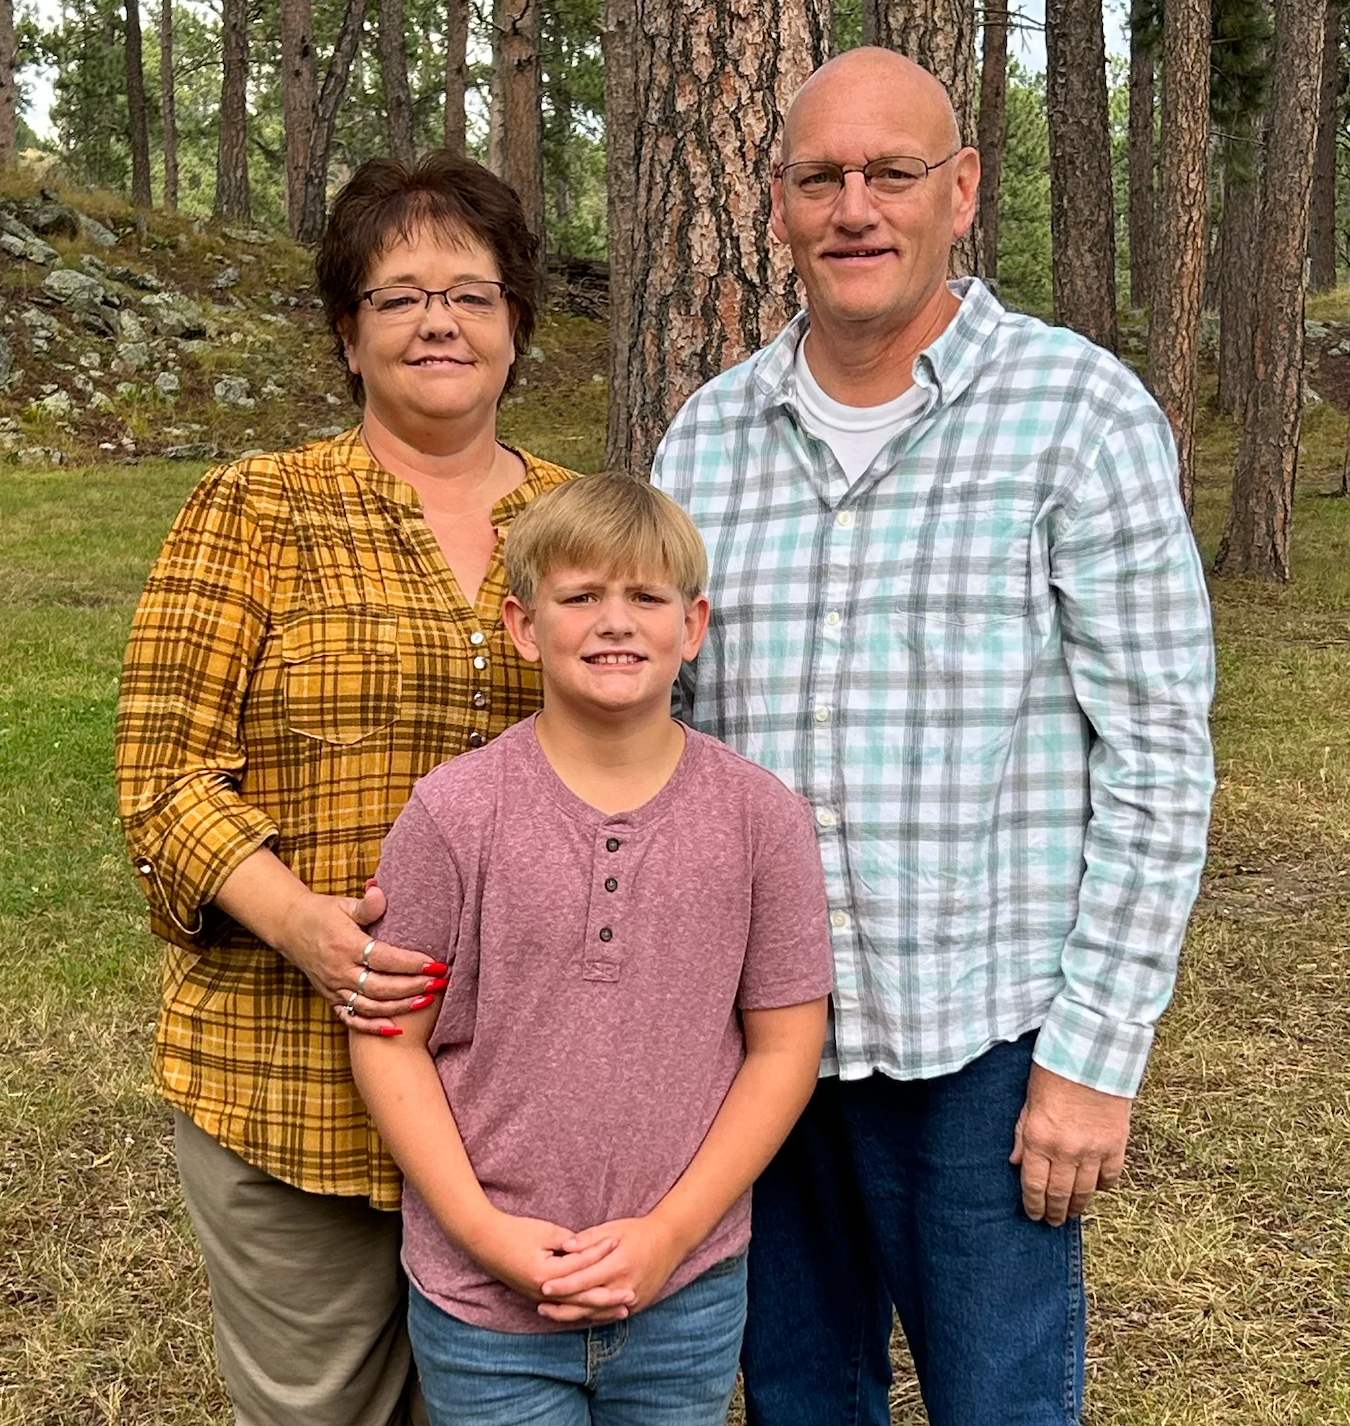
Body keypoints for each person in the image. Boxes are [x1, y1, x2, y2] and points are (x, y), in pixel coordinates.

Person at [651, 48, 1216, 1426]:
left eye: (891, 173)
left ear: (959, 191)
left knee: (999, 1401)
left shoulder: (1078, 414)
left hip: (984, 1039)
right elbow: (662, 747)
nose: (854, 207)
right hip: (759, 1044)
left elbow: (1157, 758)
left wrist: (1092, 1056)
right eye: (820, 178)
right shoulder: (706, 440)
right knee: (797, 1395)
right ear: (777, 204)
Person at [114, 151, 581, 1426]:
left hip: (520, 1089)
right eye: (400, 296)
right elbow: (163, 775)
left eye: (472, 294)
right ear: (347, 331)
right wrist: (308, 927)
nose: (440, 322)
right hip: (292, 1073)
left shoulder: (581, 523)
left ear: (516, 324)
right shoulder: (255, 508)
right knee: (322, 1406)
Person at [348, 474, 834, 1426]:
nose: (615, 621)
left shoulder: (762, 821)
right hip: (483, 1306)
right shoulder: (453, 813)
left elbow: (785, 1047)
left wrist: (669, 1235)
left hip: (684, 1295)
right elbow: (391, 1040)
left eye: (645, 596)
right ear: (524, 626)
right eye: (580, 596)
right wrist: (484, 1234)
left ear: (692, 626)